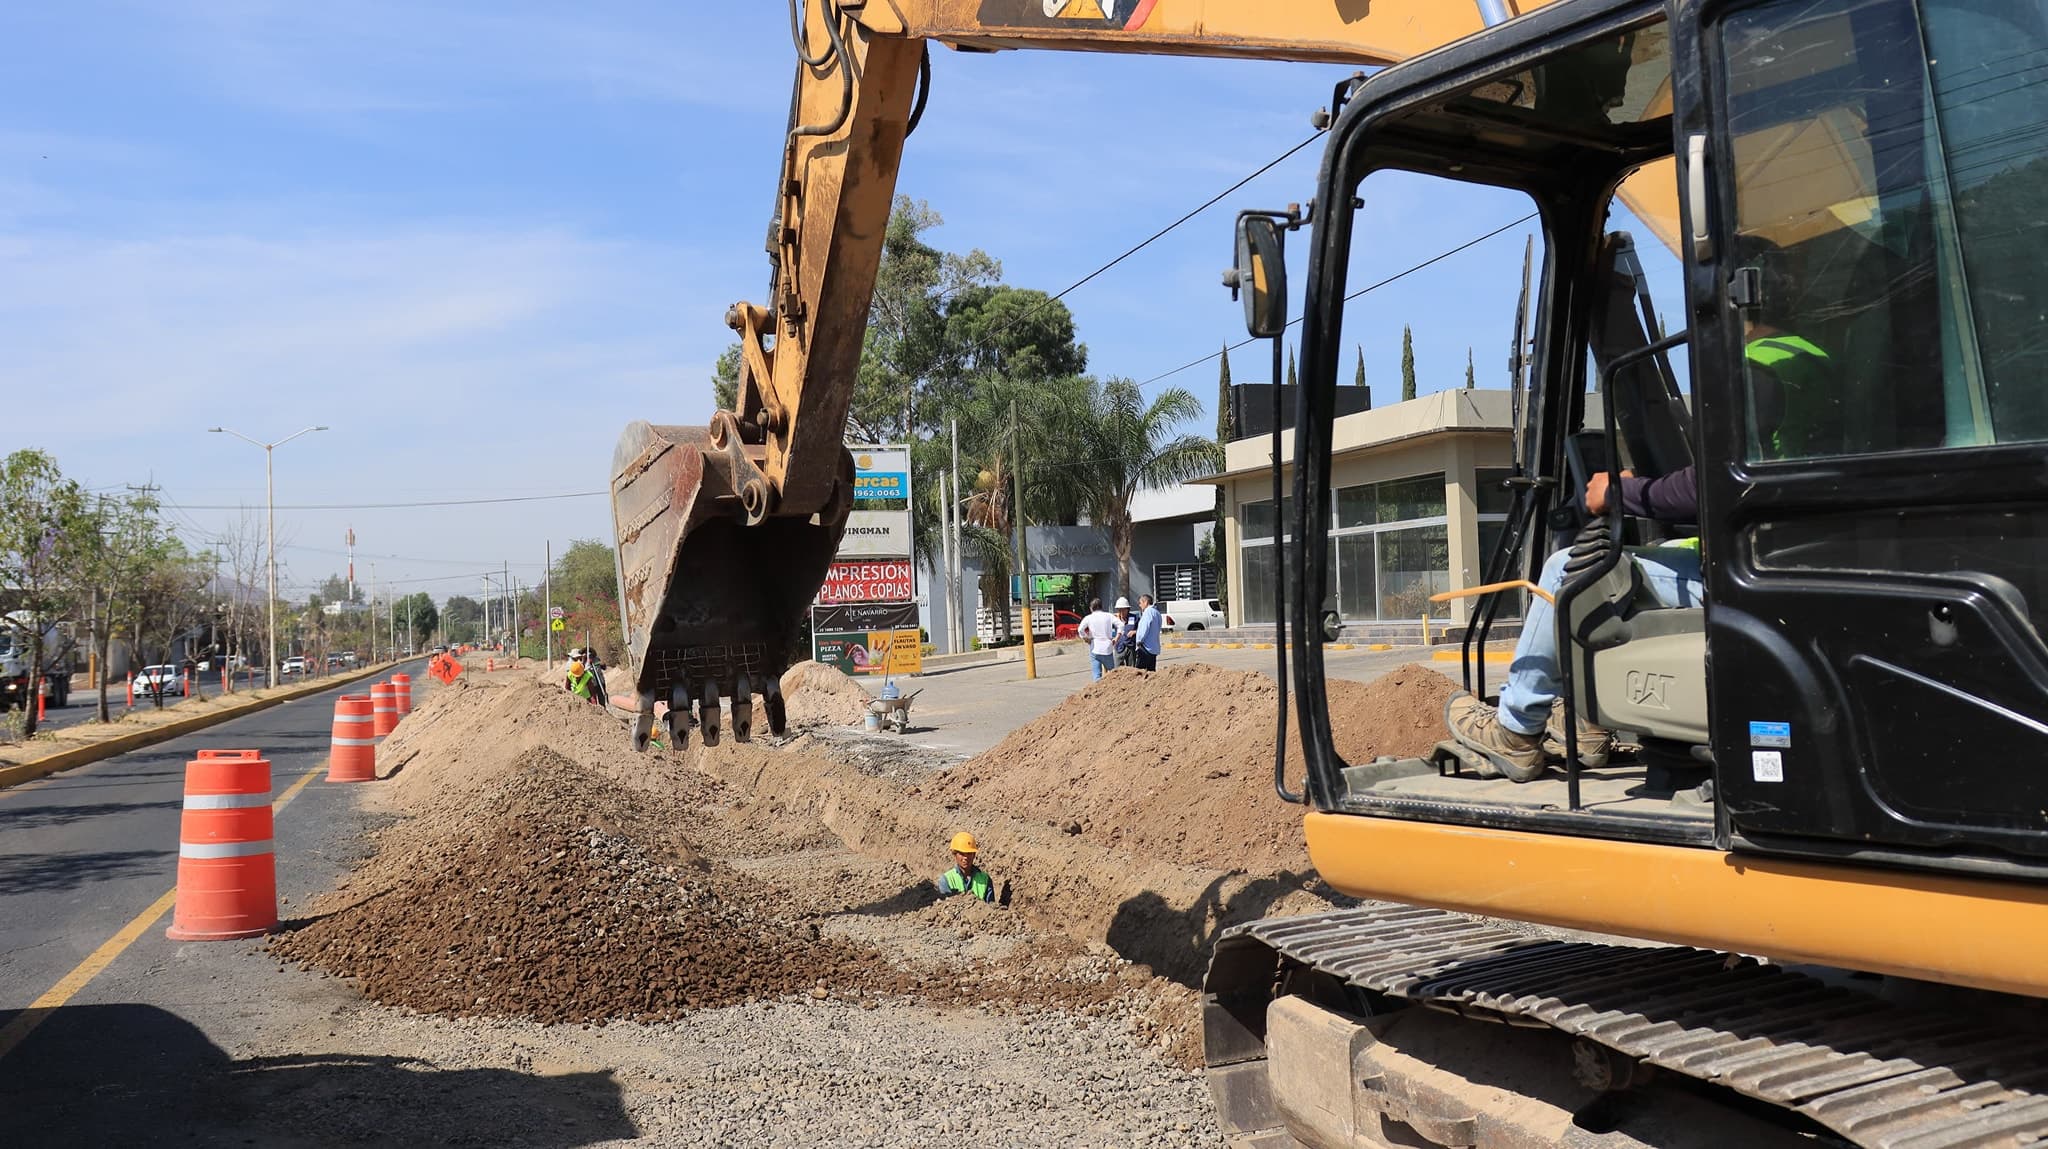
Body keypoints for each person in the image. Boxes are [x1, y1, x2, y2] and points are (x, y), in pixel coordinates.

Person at [1446, 465, 1701, 778]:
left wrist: (1619, 493)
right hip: (1762, 563)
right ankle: (1590, 717)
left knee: (1565, 569)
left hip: (1741, 573)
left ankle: (1516, 730)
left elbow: (1707, 484)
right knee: (1658, 554)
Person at [935, 832, 995, 902]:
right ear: (955, 854)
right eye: (961, 854)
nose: (965, 857)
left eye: (969, 853)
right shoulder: (946, 880)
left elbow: (991, 908)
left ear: (974, 855)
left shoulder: (985, 879)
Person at [1077, 597, 1120, 681]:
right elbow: (1120, 625)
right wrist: (1116, 637)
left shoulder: (1089, 618)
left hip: (1095, 647)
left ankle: (1097, 690)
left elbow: (1080, 629)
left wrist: (1086, 638)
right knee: (1112, 674)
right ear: (1101, 607)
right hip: (1108, 647)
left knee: (1097, 675)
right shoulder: (1109, 616)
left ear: (1091, 608)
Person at [1132, 594, 1163, 671]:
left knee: (1139, 672)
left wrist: (1139, 641)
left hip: (1145, 647)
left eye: (1140, 603)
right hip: (1154, 647)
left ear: (1145, 602)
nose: (1140, 605)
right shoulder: (1156, 612)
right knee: (1151, 671)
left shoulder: (1148, 612)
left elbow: (1144, 628)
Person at [1112, 597, 1136, 667]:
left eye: (1123, 610)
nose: (1121, 612)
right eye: (1119, 610)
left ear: (1127, 609)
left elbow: (1141, 629)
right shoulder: (1115, 619)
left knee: (1131, 669)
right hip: (1119, 647)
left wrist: (1135, 631)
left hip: (1130, 647)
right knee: (1117, 669)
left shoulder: (1134, 618)